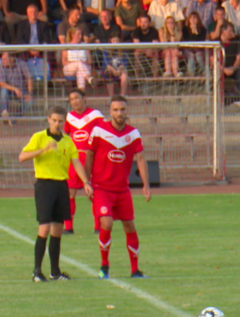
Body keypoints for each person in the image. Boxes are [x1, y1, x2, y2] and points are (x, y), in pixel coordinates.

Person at [19, 105, 93, 282]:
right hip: (44, 184)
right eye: (54, 120)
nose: (57, 124)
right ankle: (37, 271)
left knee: (58, 229)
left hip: (61, 185)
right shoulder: (39, 137)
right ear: (48, 120)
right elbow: (22, 156)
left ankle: (55, 271)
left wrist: (85, 182)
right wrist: (43, 150)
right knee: (44, 227)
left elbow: (75, 162)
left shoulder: (67, 141)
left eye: (60, 121)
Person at [85, 95, 151, 279]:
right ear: (110, 111)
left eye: (122, 109)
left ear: (126, 111)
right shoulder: (99, 131)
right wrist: (86, 181)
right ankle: (104, 266)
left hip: (122, 189)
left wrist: (146, 185)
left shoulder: (133, 134)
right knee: (106, 222)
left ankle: (135, 270)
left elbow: (140, 159)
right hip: (102, 187)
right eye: (115, 110)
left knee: (129, 225)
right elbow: (89, 155)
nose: (119, 113)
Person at [64, 88, 104, 233]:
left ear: (84, 98)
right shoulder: (69, 117)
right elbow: (66, 135)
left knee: (93, 193)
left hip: (91, 158)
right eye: (71, 99)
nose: (75, 101)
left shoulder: (95, 115)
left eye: (77, 98)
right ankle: (68, 227)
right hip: (74, 159)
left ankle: (98, 226)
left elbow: (103, 133)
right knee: (70, 192)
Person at [0, 51, 33, 119]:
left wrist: (29, 93)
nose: (2, 61)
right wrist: (15, 89)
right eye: (2, 59)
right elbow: (2, 83)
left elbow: (29, 78)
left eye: (5, 59)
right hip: (9, 90)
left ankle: (18, 115)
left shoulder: (21, 63)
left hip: (22, 90)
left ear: (12, 59)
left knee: (29, 102)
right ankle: (4, 112)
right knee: (3, 91)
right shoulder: (0, 66)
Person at [221, 22, 240, 106]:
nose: (232, 33)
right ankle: (222, 98)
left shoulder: (236, 41)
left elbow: (239, 58)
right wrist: (224, 69)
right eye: (230, 31)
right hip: (221, 68)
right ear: (223, 31)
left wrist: (233, 68)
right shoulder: (216, 41)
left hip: (233, 68)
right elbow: (212, 60)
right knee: (215, 75)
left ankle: (237, 98)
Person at [62, 27, 95, 92]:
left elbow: (89, 61)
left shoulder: (84, 45)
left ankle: (81, 93)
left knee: (80, 71)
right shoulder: (66, 46)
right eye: (78, 34)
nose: (80, 36)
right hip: (69, 68)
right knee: (79, 64)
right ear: (73, 35)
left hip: (83, 67)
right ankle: (89, 78)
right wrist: (77, 62)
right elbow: (64, 62)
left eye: (81, 34)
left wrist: (82, 63)